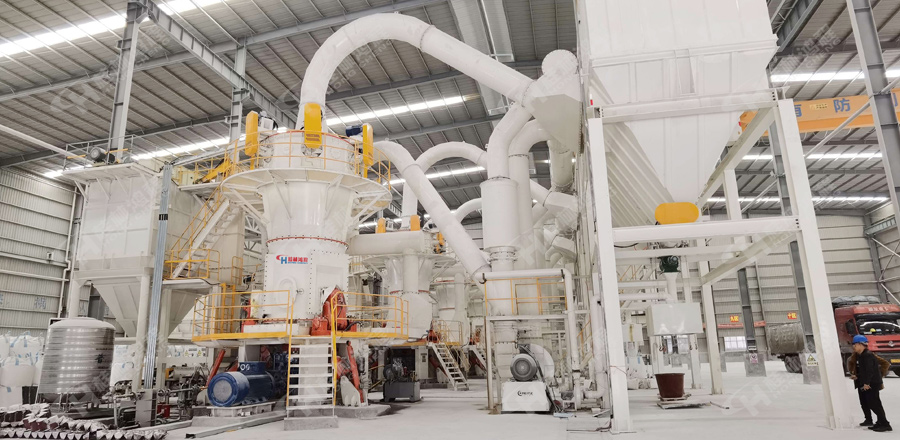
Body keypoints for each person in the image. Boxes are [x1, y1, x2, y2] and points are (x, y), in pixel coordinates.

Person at [851, 334, 892, 431]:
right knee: (872, 403)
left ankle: (885, 424)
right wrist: (857, 376)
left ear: (861, 344)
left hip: (872, 383)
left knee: (874, 404)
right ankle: (880, 422)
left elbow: (870, 371)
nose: (853, 347)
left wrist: (867, 383)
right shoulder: (861, 355)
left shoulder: (867, 355)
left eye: (855, 344)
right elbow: (864, 371)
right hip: (869, 382)